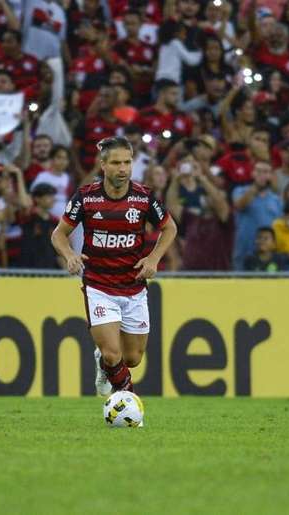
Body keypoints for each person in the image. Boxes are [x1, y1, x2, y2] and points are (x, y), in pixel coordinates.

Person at [51, 136, 177, 396]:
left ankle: (105, 364)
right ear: (103, 165)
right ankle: (127, 402)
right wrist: (69, 255)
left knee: (132, 359)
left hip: (133, 286)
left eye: (127, 162)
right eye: (117, 163)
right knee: (112, 353)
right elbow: (58, 234)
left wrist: (153, 258)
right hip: (99, 285)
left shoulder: (143, 198)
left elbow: (169, 228)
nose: (123, 168)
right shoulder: (86, 197)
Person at [232, 162, 283, 270]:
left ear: (271, 176)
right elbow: (240, 205)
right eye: (258, 171)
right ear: (252, 174)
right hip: (244, 250)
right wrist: (255, 188)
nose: (262, 175)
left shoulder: (277, 200)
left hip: (268, 255)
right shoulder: (240, 191)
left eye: (266, 172)